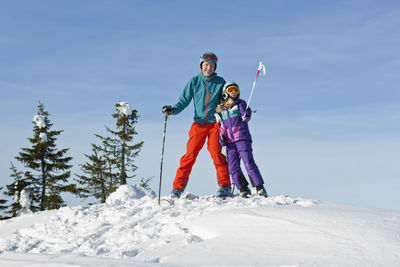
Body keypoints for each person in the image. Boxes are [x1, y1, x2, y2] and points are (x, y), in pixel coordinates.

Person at [162, 52, 231, 198]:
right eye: (206, 65)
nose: (208, 68)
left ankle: (224, 186)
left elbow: (226, 101)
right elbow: (184, 101)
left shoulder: (220, 82)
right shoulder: (194, 81)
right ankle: (177, 188)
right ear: (201, 66)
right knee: (189, 155)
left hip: (215, 125)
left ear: (215, 67)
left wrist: (227, 111)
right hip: (198, 124)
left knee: (216, 153)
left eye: (211, 66)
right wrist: (173, 110)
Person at [215, 82, 268, 198]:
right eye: (231, 90)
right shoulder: (222, 110)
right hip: (230, 142)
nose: (234, 92)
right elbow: (222, 127)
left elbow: (246, 112)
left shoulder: (240, 104)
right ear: (225, 93)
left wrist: (246, 115)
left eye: (236, 90)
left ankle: (259, 187)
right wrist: (222, 138)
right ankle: (243, 188)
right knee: (232, 167)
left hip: (242, 138)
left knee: (248, 162)